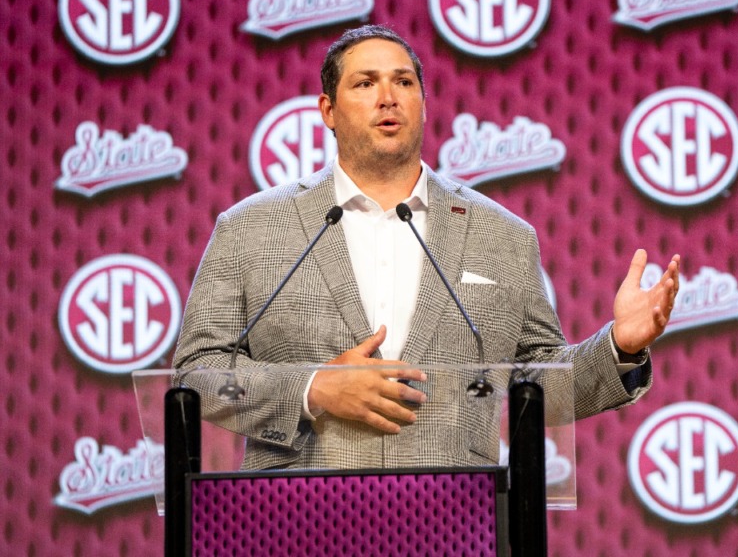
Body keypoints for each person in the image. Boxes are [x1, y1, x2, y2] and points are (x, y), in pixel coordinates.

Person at [174, 24, 680, 471]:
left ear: (423, 102)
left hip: (452, 523)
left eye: (403, 82)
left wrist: (621, 347)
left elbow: (536, 384)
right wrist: (313, 388)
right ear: (327, 109)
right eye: (365, 83)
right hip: (295, 520)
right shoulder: (252, 228)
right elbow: (195, 373)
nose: (387, 97)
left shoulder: (501, 235)